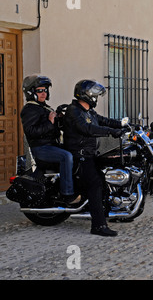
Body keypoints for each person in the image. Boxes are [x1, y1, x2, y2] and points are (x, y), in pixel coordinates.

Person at [63, 79, 125, 237]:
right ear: (86, 95)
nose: (97, 98)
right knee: (95, 184)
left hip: (91, 154)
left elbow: (103, 120)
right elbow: (87, 128)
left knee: (105, 181)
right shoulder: (74, 110)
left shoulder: (89, 111)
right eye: (95, 95)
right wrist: (110, 132)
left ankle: (109, 214)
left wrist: (122, 125)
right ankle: (97, 226)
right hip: (80, 156)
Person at [20, 75, 78, 205]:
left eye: (45, 90)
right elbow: (31, 132)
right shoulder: (29, 109)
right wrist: (50, 122)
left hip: (51, 146)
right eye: (40, 90)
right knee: (66, 156)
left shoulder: (43, 107)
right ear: (31, 92)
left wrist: (60, 118)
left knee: (79, 153)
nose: (43, 93)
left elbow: (54, 129)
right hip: (41, 148)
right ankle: (67, 195)